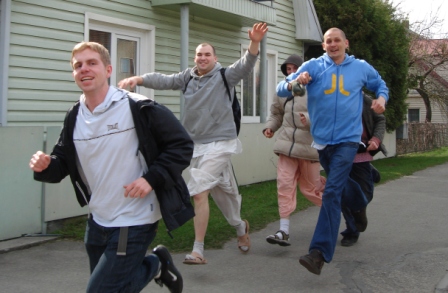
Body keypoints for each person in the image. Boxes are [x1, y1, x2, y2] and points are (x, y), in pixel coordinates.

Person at [29, 41, 194, 293]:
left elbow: (181, 145)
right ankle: (158, 265)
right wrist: (45, 165)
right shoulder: (75, 116)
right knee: (118, 288)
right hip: (97, 219)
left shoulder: (137, 107)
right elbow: (62, 162)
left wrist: (151, 178)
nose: (84, 69)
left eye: (91, 63)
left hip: (134, 218)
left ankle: (153, 264)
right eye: (78, 65)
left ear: (108, 70)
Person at [118, 22, 269, 264]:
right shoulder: (187, 77)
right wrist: (139, 79)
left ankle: (198, 250)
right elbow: (164, 80)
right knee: (224, 194)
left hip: (221, 143)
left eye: (207, 54)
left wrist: (254, 42)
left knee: (198, 191)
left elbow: (245, 65)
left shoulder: (223, 76)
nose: (202, 58)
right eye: (199, 54)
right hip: (196, 145)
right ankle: (241, 227)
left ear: (215, 58)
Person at [276, 27, 389, 275]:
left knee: (332, 192)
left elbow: (380, 84)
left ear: (346, 43)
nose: (333, 44)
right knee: (340, 185)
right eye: (328, 41)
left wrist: (381, 98)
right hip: (323, 141)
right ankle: (359, 205)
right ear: (323, 45)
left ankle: (318, 253)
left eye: (337, 40)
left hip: (348, 141)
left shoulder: (360, 67)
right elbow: (281, 89)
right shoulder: (314, 66)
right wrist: (296, 81)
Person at [263, 54, 325, 246]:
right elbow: (276, 113)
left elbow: (326, 115)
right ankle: (284, 231)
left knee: (312, 190)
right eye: (287, 70)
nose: (291, 73)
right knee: (284, 185)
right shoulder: (283, 90)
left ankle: (340, 213)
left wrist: (310, 121)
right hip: (286, 147)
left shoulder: (316, 88)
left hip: (309, 148)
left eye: (294, 69)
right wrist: (271, 127)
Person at [340, 94, 387, 247]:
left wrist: (375, 139)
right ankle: (352, 230)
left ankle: (370, 174)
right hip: (340, 155)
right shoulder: (333, 98)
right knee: (343, 194)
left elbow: (380, 119)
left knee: (364, 194)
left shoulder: (365, 100)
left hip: (361, 154)